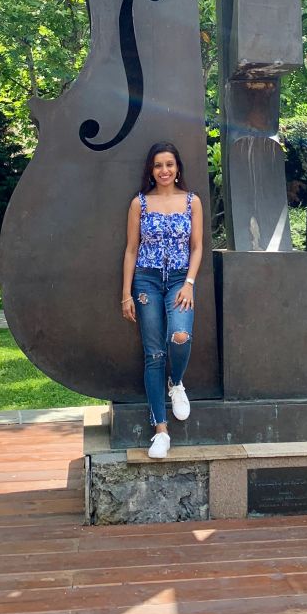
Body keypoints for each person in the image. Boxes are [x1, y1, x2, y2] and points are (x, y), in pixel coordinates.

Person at [121, 141, 203, 459]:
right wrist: (125, 293)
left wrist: (190, 283)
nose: (164, 170)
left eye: (169, 164)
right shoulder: (139, 204)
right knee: (153, 353)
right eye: (158, 165)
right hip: (146, 280)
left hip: (181, 280)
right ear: (151, 170)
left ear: (177, 167)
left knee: (180, 335)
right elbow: (130, 249)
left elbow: (197, 247)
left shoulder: (191, 201)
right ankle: (161, 431)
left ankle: (177, 381)